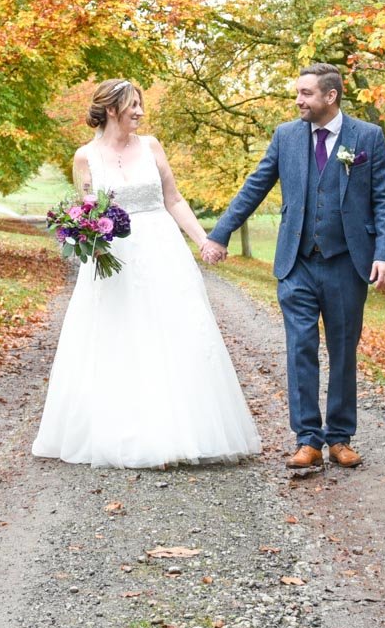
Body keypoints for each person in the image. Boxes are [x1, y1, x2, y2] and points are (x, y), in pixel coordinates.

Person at [32, 79, 262, 469]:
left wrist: (204, 240)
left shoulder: (152, 146)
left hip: (162, 250)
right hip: (114, 259)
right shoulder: (85, 157)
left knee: (172, 334)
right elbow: (86, 210)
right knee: (121, 338)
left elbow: (173, 198)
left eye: (140, 104)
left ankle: (179, 433)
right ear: (110, 109)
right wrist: (83, 234)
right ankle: (130, 434)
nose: (139, 112)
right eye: (132, 105)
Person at [201, 62, 385, 470]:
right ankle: (307, 438)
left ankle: (340, 437)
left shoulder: (368, 137)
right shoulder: (286, 136)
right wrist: (220, 233)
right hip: (297, 264)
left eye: (306, 94)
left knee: (343, 351)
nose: (298, 101)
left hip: (347, 263)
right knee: (300, 349)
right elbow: (255, 185)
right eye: (298, 93)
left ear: (331, 96)